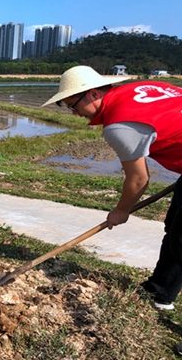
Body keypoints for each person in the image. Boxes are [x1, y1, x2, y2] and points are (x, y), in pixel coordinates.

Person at [42, 65, 182, 312]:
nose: (74, 113)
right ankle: (160, 291)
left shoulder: (119, 124)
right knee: (176, 230)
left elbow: (138, 179)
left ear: (93, 94)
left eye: (72, 105)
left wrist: (121, 211)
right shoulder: (134, 90)